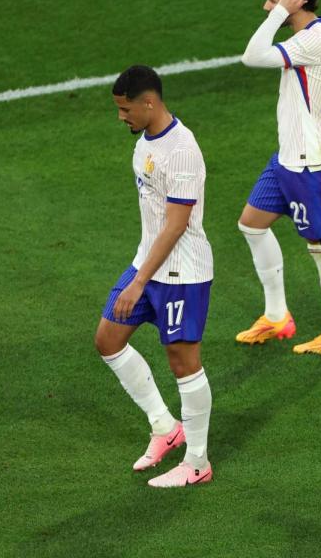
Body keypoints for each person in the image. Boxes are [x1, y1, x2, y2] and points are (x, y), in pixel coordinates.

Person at [95, 65, 214, 487]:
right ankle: (165, 427)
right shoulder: (144, 141)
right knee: (108, 340)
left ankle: (197, 462)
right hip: (148, 263)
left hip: (182, 272)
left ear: (150, 103)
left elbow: (177, 224)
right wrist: (141, 272)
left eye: (126, 109)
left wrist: (139, 281)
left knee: (183, 362)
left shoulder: (181, 150)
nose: (121, 116)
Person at [237, 0, 321, 355]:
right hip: (289, 157)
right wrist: (279, 10)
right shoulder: (317, 32)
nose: (266, 6)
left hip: (311, 164)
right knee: (251, 224)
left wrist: (277, 14)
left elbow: (252, 56)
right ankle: (276, 316)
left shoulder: (314, 39)